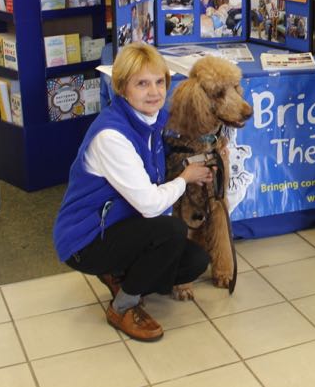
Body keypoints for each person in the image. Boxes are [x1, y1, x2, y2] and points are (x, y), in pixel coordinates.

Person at [52, 43, 215, 342]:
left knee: (193, 261)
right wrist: (185, 178)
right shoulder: (112, 135)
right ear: (122, 88)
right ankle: (123, 306)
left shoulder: (152, 119)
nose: (154, 91)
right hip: (85, 239)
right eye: (142, 83)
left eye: (159, 82)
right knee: (171, 231)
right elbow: (151, 206)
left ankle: (120, 275)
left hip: (121, 226)